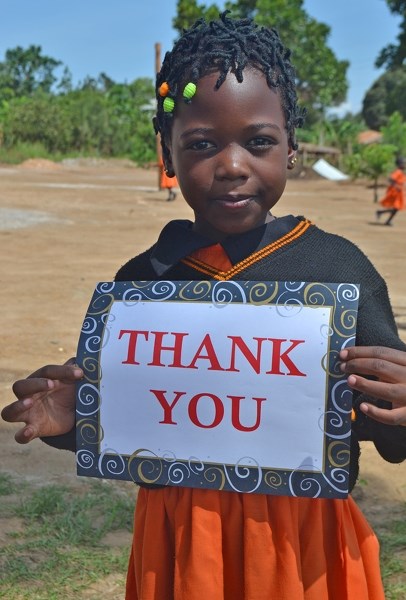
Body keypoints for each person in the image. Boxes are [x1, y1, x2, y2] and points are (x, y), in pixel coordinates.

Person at [2, 12, 406, 600]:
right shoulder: (145, 281)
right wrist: (74, 418)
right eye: (201, 144)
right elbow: (131, 405)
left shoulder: (339, 272)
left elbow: (386, 429)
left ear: (292, 147)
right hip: (182, 543)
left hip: (300, 546)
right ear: (167, 155)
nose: (233, 165)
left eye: (259, 142)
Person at [376, 156, 406, 226]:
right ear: (400, 164)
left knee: (397, 208)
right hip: (395, 192)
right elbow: (391, 179)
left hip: (399, 192)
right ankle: (383, 216)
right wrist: (396, 186)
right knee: (396, 207)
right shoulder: (398, 171)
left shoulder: (401, 172)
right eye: (404, 163)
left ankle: (382, 214)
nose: (405, 165)